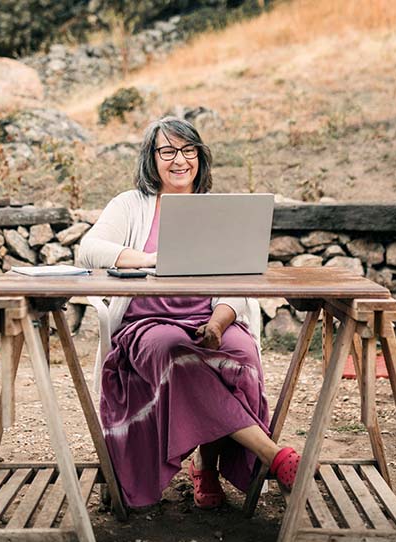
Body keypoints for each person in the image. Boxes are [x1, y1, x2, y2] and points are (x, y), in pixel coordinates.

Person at [79, 116, 301, 509]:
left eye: (187, 150)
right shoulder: (131, 205)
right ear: (152, 158)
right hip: (146, 325)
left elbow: (238, 283)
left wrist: (217, 324)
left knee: (240, 353)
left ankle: (209, 465)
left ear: (199, 156)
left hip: (208, 316)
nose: (178, 160)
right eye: (167, 151)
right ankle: (272, 454)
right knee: (174, 353)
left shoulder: (217, 210)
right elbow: (89, 248)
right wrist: (149, 260)